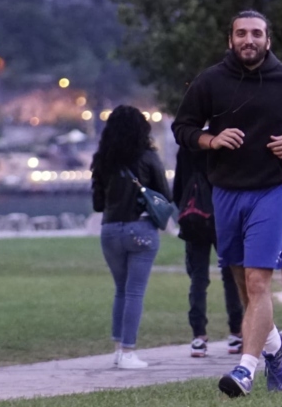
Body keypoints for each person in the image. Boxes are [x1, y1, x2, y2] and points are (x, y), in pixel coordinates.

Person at [172, 10, 282, 397]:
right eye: (241, 33)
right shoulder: (210, 81)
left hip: (274, 190)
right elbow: (183, 128)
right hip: (225, 192)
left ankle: (245, 369)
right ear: (230, 40)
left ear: (268, 40)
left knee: (259, 280)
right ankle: (277, 346)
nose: (249, 39)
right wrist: (211, 140)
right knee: (244, 282)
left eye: (256, 33)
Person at [91, 105, 172, 369]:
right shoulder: (148, 158)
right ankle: (128, 352)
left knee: (121, 290)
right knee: (135, 292)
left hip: (110, 230)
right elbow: (164, 195)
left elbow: (97, 204)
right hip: (141, 229)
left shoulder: (101, 159)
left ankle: (118, 350)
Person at [173, 145, 244, 357]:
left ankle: (198, 336)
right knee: (231, 276)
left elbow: (178, 188)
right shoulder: (225, 144)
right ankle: (236, 332)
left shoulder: (187, 148)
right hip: (224, 217)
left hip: (194, 218)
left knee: (198, 279)